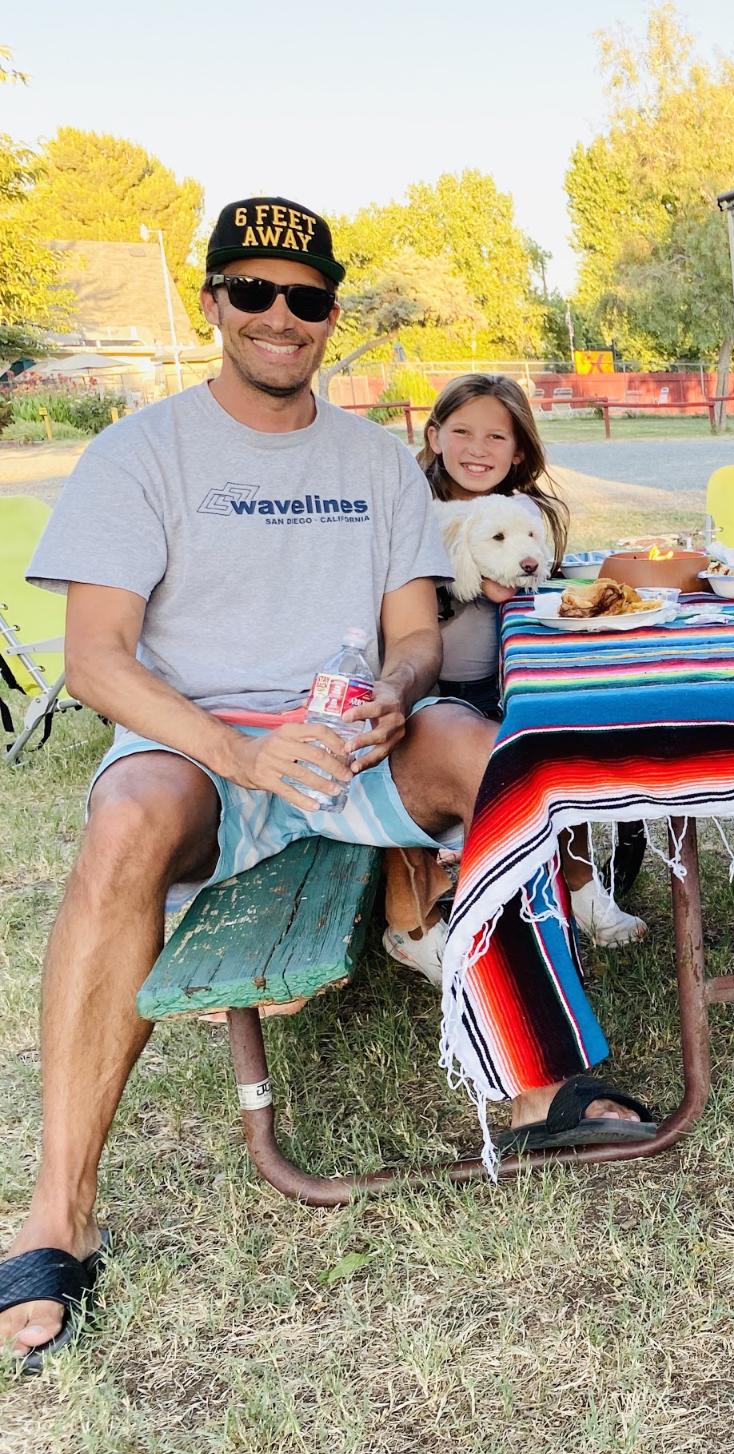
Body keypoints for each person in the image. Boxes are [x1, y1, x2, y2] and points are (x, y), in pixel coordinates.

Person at [0, 197, 646, 1375]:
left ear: (329, 314)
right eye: (252, 292)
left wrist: (398, 690)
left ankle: (534, 1080)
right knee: (124, 817)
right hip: (201, 744)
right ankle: (58, 1211)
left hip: (345, 738)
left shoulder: (367, 459)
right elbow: (96, 658)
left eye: (304, 298)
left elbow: (411, 632)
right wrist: (241, 752)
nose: (279, 317)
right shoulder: (139, 450)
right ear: (214, 306)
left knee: (472, 744)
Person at [410, 372, 644, 954]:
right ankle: (432, 905)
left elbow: (550, 587)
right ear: (435, 437)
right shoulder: (412, 511)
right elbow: (400, 611)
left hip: (517, 681)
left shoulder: (528, 515)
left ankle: (581, 885)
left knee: (556, 744)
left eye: (497, 437)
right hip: (436, 689)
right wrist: (459, 589)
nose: (478, 449)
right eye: (462, 432)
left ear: (518, 451)